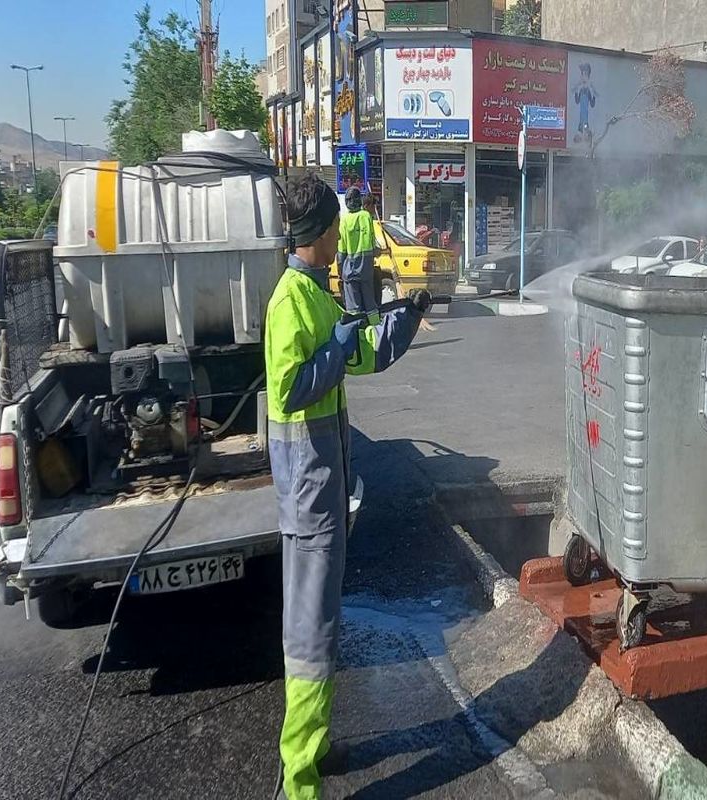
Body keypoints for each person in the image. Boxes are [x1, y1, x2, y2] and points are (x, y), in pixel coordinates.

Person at [265, 172, 430, 800]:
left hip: (321, 492)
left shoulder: (313, 290)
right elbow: (288, 387)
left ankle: (315, 746)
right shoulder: (291, 300)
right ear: (323, 232)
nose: (342, 235)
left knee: (323, 624)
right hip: (308, 496)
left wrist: (405, 321)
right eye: (336, 227)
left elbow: (361, 351)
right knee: (309, 635)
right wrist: (333, 351)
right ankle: (300, 781)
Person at [336, 187, 378, 317]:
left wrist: (340, 271)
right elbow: (372, 241)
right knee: (370, 305)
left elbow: (341, 250)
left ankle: (357, 332)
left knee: (353, 309)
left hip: (349, 270)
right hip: (366, 269)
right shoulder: (366, 216)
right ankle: (375, 332)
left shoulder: (343, 220)